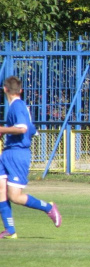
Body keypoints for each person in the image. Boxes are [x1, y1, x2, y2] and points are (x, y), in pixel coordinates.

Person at [0, 76, 61, 239]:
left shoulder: (18, 106)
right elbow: (32, 130)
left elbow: (22, 129)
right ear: (20, 90)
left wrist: (3, 129)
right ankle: (9, 230)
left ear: (4, 90)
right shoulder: (20, 107)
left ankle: (48, 207)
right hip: (8, 152)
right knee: (1, 189)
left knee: (15, 196)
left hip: (18, 154)